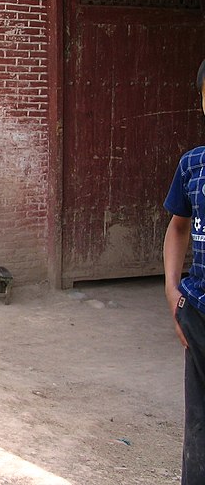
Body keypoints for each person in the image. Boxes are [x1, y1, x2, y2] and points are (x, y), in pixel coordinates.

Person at [163, 58, 205, 485]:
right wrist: (173, 294)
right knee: (198, 424)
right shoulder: (193, 165)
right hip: (198, 316)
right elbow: (176, 228)